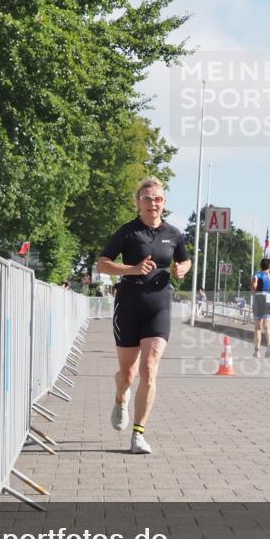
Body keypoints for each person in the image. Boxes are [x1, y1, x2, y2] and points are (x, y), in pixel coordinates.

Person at [96, 177, 191, 454]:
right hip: (128, 305)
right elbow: (102, 264)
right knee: (128, 374)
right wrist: (132, 269)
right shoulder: (127, 232)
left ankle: (138, 435)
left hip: (159, 307)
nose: (153, 203)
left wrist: (182, 268)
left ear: (164, 203)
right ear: (138, 202)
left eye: (158, 199)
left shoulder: (174, 234)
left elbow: (184, 258)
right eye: (148, 198)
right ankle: (120, 397)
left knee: (149, 369)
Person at [250, 257, 270, 357]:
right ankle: (269, 342)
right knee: (267, 326)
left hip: (259, 299)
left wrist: (254, 289)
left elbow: (254, 285)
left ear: (261, 266)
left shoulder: (257, 274)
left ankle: (257, 351)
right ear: (269, 266)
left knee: (258, 328)